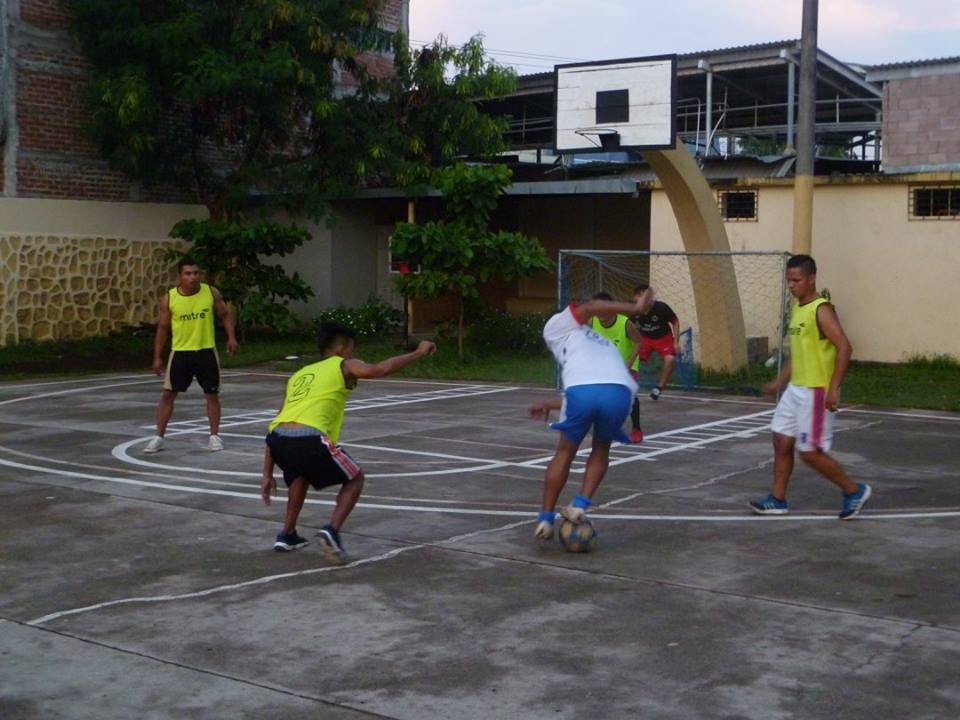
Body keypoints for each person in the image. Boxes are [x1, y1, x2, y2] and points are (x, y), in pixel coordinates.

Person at [261, 322, 436, 559]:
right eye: (351, 349)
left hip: (277, 440)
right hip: (309, 437)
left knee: (300, 475)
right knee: (355, 478)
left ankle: (287, 534)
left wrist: (266, 474)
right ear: (342, 347)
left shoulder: (299, 375)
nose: (353, 354)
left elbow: (279, 419)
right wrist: (418, 352)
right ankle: (331, 530)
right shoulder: (343, 364)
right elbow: (378, 370)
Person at [749, 254, 871, 520]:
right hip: (796, 390)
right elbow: (800, 352)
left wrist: (834, 388)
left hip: (816, 392)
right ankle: (777, 500)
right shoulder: (798, 309)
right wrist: (779, 382)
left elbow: (844, 347)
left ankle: (854, 491)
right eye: (789, 281)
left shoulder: (821, 309)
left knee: (809, 452)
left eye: (797, 280)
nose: (792, 285)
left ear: (812, 278)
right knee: (781, 439)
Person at [529, 290, 654, 541]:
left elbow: (586, 390)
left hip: (584, 391)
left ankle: (545, 520)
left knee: (565, 451)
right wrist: (551, 403)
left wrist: (635, 309)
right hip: (620, 392)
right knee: (601, 448)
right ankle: (579, 505)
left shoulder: (560, 328)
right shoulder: (595, 339)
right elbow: (599, 383)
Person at [145, 258, 238, 453]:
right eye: (188, 273)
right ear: (180, 276)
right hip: (180, 352)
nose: (193, 277)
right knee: (168, 394)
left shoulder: (211, 293)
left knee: (212, 394)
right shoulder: (170, 298)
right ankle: (158, 437)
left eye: (196, 273)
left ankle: (214, 436)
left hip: (206, 350)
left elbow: (224, 314)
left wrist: (231, 337)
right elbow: (162, 328)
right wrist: (157, 357)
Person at [590, 291, 645, 443]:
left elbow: (639, 342)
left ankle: (636, 428)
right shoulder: (592, 322)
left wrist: (629, 361)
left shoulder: (625, 323)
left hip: (626, 365)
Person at [629, 283, 680, 401]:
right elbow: (629, 326)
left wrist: (676, 342)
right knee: (630, 357)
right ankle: (626, 384)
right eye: (639, 297)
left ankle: (659, 388)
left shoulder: (661, 308)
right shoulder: (634, 310)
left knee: (670, 359)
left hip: (663, 338)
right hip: (644, 338)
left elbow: (675, 321)